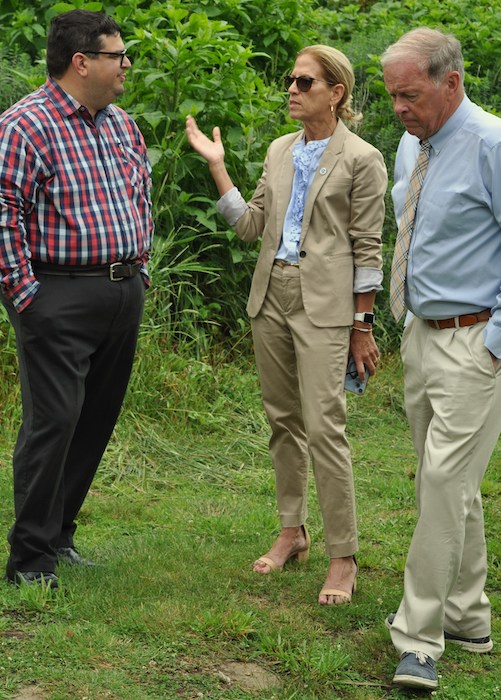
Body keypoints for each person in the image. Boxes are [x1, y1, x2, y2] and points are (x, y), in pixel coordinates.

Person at [186, 45, 386, 604]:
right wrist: (217, 166)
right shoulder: (279, 149)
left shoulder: (362, 158)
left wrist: (362, 326)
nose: (292, 90)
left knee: (325, 427)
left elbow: (368, 249)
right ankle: (292, 531)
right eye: (290, 81)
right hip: (270, 294)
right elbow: (251, 227)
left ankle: (343, 556)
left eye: (304, 82)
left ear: (336, 93)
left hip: (326, 304)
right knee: (283, 421)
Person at [0, 9, 153, 590]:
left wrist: (140, 270)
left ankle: (59, 537)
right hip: (55, 294)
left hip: (122, 290)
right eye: (118, 56)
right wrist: (26, 295)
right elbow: (4, 214)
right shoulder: (25, 126)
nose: (126, 65)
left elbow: (139, 196)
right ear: (81, 61)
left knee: (94, 420)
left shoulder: (120, 125)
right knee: (55, 421)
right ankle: (29, 559)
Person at [381, 27, 501, 690]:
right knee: (449, 485)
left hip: (474, 341)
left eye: (410, 95)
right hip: (421, 333)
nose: (399, 108)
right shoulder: (412, 143)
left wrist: (492, 347)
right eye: (392, 96)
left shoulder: (492, 144)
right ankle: (468, 616)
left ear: (450, 82)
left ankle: (418, 638)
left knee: (440, 483)